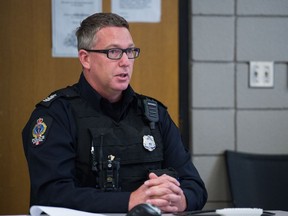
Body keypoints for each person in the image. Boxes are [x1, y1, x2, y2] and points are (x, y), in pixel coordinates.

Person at [22, 13, 207, 213]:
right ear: (86, 59)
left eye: (130, 51)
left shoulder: (154, 114)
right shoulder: (57, 114)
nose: (126, 61)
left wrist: (180, 200)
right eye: (114, 52)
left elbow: (195, 185)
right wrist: (130, 201)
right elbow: (51, 194)